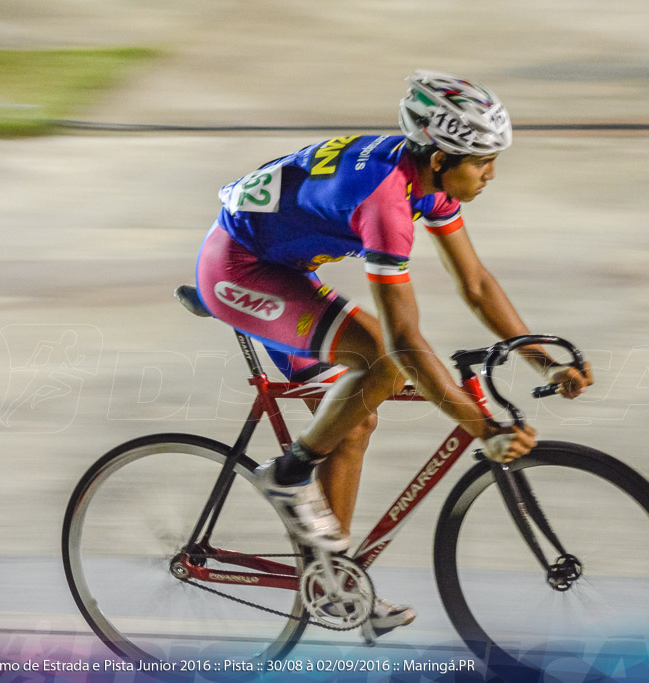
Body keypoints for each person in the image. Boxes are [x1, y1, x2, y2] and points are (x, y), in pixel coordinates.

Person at [194, 69, 594, 636]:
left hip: (282, 267)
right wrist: (482, 427)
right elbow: (404, 343)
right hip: (241, 270)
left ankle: (335, 584)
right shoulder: (385, 201)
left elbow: (475, 283)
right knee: (381, 358)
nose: (491, 174)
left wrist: (542, 360)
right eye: (481, 161)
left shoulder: (424, 178)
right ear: (440, 157)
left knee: (355, 421)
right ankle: (287, 473)